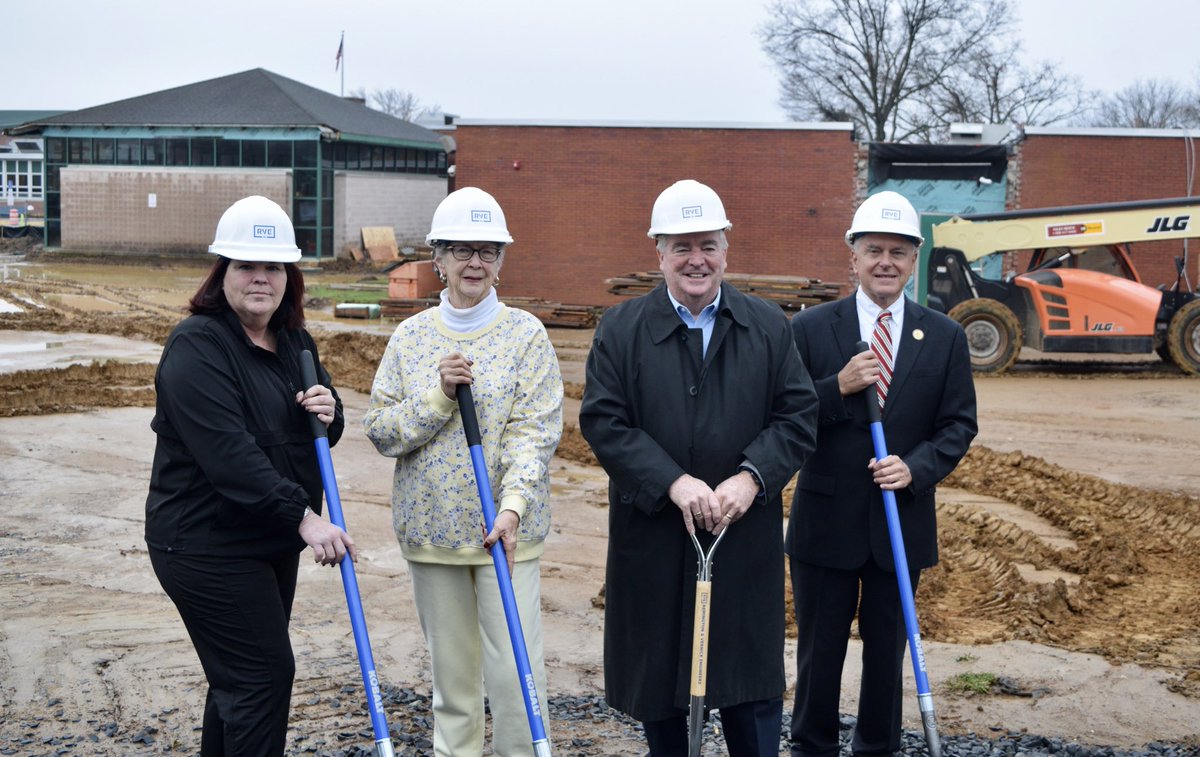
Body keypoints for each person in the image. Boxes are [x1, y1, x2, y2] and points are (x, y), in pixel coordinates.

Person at [579, 179, 818, 756]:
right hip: (657, 534)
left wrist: (751, 477)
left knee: (747, 688)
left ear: (726, 249)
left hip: (741, 536)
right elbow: (605, 422)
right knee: (661, 686)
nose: (696, 260)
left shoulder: (766, 326)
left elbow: (797, 417)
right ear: (658, 251)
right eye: (681, 246)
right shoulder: (622, 329)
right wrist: (673, 482)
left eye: (707, 245)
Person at [145, 195, 357, 756]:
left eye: (273, 267)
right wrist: (306, 519)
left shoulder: (295, 344)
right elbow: (229, 456)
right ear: (223, 274)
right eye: (246, 266)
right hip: (205, 543)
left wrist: (330, 413)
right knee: (263, 676)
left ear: (289, 275)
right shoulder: (198, 346)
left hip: (265, 542)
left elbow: (316, 435)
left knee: (239, 684)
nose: (260, 278)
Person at [363, 187, 563, 757]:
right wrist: (438, 397)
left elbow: (535, 433)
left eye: (488, 250)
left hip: (507, 537)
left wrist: (514, 506)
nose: (475, 262)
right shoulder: (411, 339)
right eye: (461, 250)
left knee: (516, 681)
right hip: (432, 536)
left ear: (501, 261)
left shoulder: (526, 336)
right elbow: (381, 431)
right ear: (438, 258)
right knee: (453, 688)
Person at [786, 190, 978, 756]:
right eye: (874, 250)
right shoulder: (812, 330)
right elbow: (785, 415)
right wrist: (836, 389)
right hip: (826, 523)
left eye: (898, 251)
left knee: (888, 652)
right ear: (853, 256)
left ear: (913, 259)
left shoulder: (943, 336)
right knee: (819, 654)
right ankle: (812, 746)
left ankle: (877, 748)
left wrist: (914, 468)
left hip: (901, 523)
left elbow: (958, 426)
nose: (885, 261)